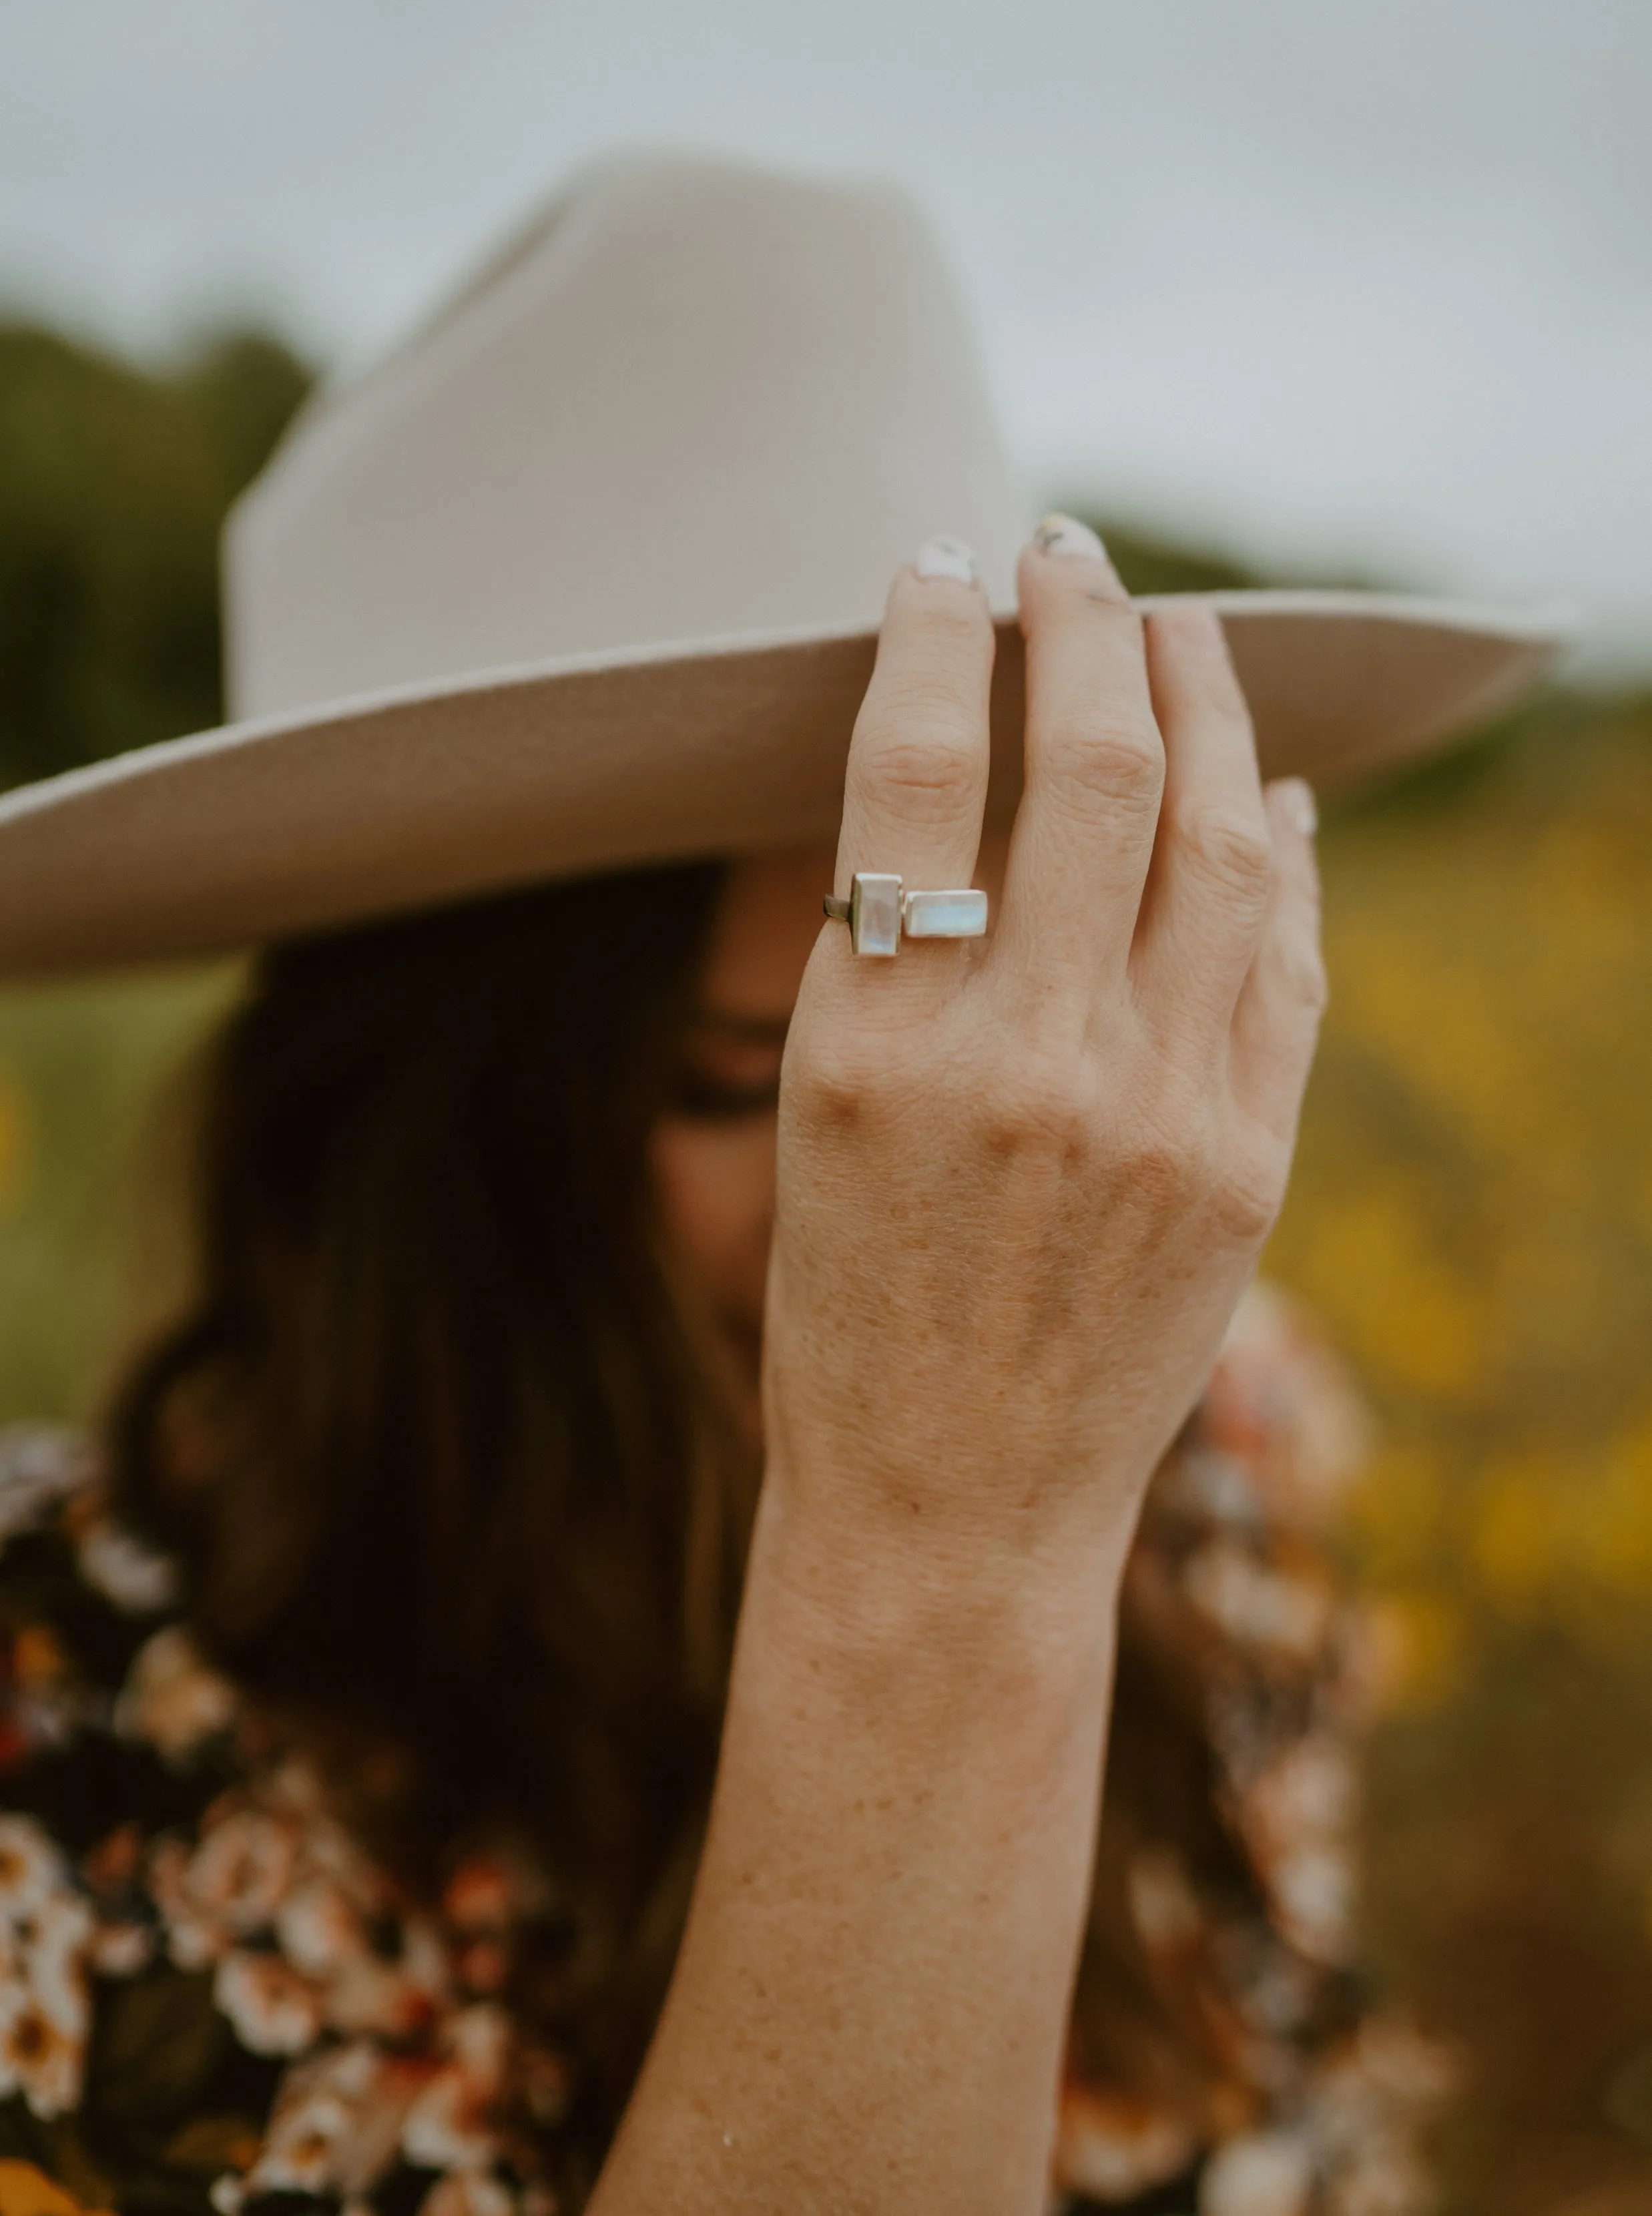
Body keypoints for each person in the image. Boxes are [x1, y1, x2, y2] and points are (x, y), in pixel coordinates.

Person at [0, 156, 1539, 2216]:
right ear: (428, 1126)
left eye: (1017, 1025)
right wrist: (946, 1553)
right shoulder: (61, 1733)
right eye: (778, 1075)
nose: (992, 1195)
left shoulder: (1223, 1453)